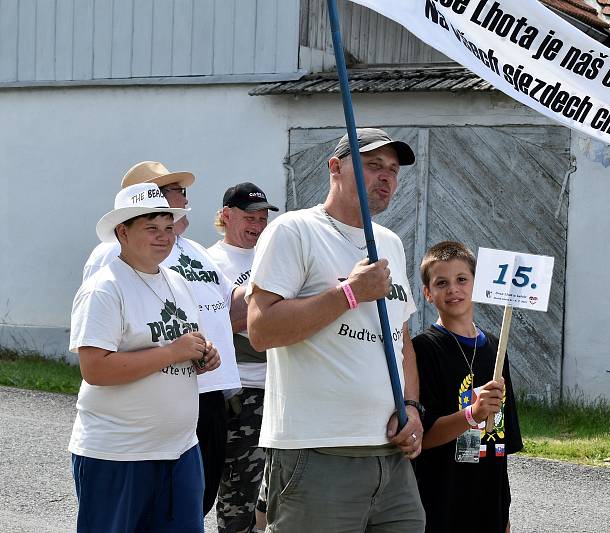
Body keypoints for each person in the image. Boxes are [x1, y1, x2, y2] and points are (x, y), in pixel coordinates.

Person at [246, 128, 425, 532]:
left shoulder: (390, 242)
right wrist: (349, 293)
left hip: (390, 456)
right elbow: (261, 329)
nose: (386, 178)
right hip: (318, 453)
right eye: (373, 165)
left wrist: (412, 409)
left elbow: (403, 340)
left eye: (393, 171)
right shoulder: (294, 230)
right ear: (335, 168)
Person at [81, 161, 242, 516]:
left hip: (180, 446)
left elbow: (183, 345)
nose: (164, 236)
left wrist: (202, 357)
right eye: (152, 227)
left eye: (168, 226)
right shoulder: (106, 281)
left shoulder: (179, 279)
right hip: (122, 449)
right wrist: (174, 352)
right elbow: (95, 368)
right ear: (122, 232)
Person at [411, 241, 522, 533]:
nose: (453, 289)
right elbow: (423, 436)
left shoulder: (496, 350)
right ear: (427, 293)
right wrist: (472, 413)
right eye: (441, 283)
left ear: (477, 284)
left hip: (488, 503)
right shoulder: (423, 350)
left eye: (462, 279)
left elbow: (500, 444)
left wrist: (504, 513)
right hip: (440, 501)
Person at [207, 182, 278, 532]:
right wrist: (263, 305)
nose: (258, 224)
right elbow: (216, 323)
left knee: (276, 492)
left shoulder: (271, 256)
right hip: (241, 390)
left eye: (263, 218)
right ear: (225, 215)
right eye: (250, 216)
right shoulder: (209, 261)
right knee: (239, 495)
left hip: (280, 387)